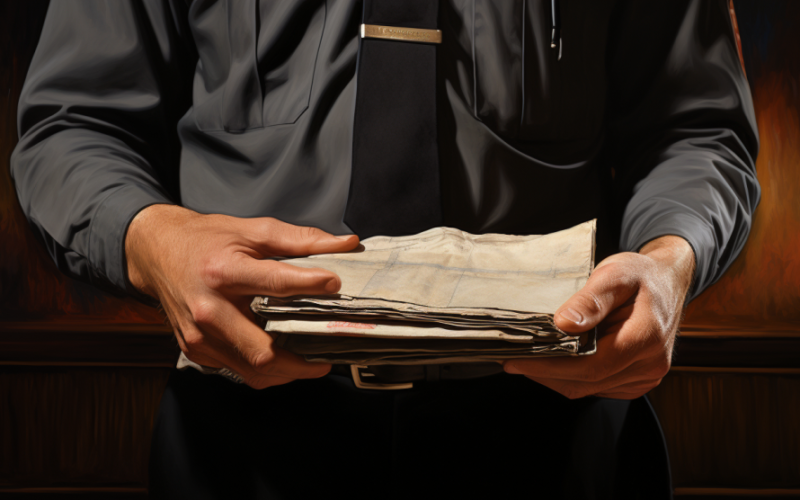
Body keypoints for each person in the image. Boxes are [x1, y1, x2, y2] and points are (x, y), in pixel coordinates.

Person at [11, 0, 759, 498]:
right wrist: (152, 240)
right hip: (243, 436)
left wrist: (669, 264)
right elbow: (72, 128)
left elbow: (697, 130)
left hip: (556, 431)